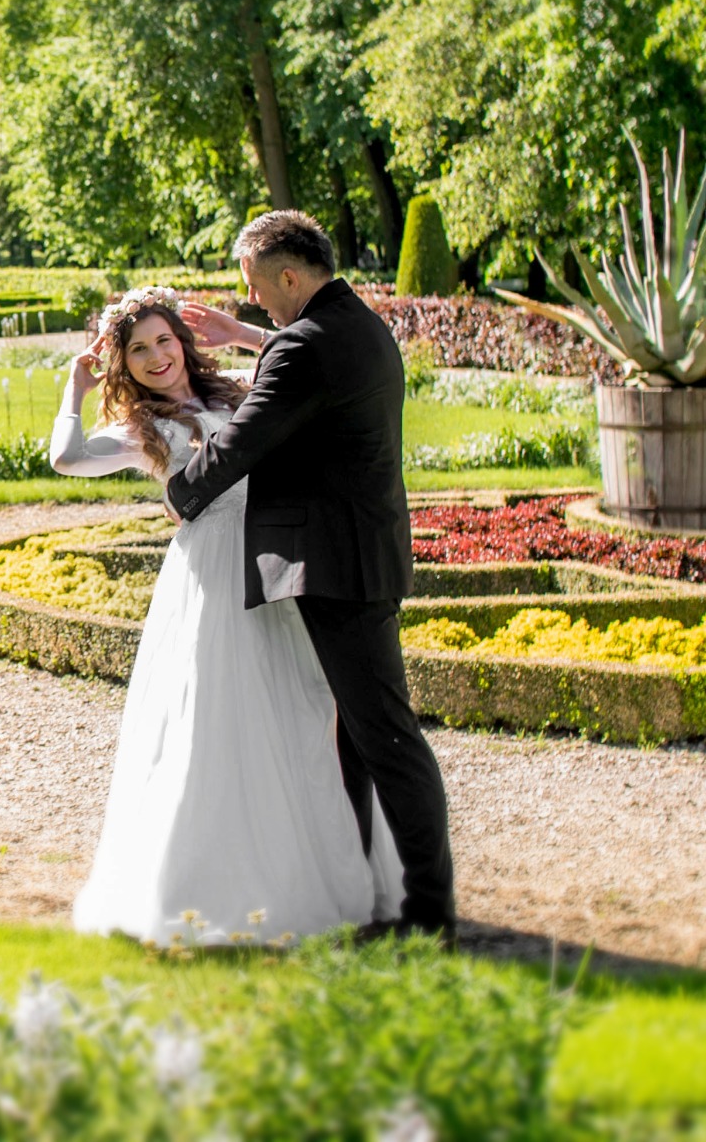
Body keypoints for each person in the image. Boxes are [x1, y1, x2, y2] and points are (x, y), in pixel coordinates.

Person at [54, 284, 402, 945]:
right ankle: (216, 883)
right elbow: (66, 457)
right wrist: (74, 386)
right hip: (209, 574)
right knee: (216, 720)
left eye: (164, 340)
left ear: (183, 342)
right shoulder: (140, 429)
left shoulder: (236, 392)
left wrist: (241, 332)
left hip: (274, 558)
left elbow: (320, 366)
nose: (157, 357)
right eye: (139, 350)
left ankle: (324, 871)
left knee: (302, 711)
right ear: (121, 363)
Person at [169, 210, 455, 941]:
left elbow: (241, 439)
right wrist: (244, 339)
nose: (255, 302)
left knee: (386, 739)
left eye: (259, 290)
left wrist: (181, 492)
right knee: (358, 741)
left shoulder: (305, 347)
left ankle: (427, 912)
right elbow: (299, 354)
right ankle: (365, 886)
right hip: (364, 555)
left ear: (290, 277)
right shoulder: (354, 322)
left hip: (339, 566)